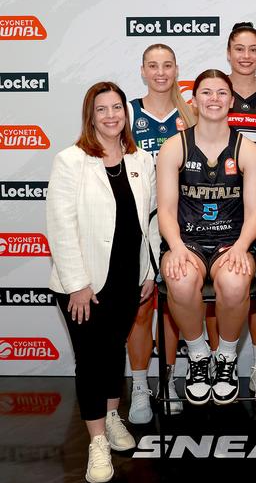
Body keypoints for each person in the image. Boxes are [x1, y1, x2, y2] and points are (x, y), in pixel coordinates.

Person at [47, 82, 157, 483]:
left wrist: (148, 270)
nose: (111, 116)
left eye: (117, 108)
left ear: (125, 114)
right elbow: (60, 227)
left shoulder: (140, 159)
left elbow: (151, 220)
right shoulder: (70, 161)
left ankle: (112, 417)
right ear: (89, 116)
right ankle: (96, 441)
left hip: (128, 277)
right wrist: (77, 283)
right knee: (92, 360)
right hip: (85, 284)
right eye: (102, 110)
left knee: (113, 352)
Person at [156, 69, 256, 406]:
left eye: (221, 93)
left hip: (231, 240)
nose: (213, 99)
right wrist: (174, 247)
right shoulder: (175, 146)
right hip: (186, 239)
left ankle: (227, 358)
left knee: (234, 281)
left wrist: (243, 247)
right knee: (180, 277)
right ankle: (200, 354)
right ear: (195, 100)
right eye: (206, 92)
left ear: (231, 101)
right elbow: (166, 210)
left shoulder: (246, 150)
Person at [208, 22, 256, 398]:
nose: (245, 56)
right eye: (239, 49)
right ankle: (209, 365)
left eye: (253, 49)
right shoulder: (214, 90)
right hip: (220, 199)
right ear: (228, 52)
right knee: (221, 285)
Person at [126, 43, 196, 423]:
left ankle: (168, 379)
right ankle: (140, 384)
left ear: (176, 69)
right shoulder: (128, 113)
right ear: (142, 70)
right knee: (140, 308)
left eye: (167, 65)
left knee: (170, 306)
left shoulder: (191, 112)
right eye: (153, 65)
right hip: (137, 222)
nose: (160, 72)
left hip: (178, 220)